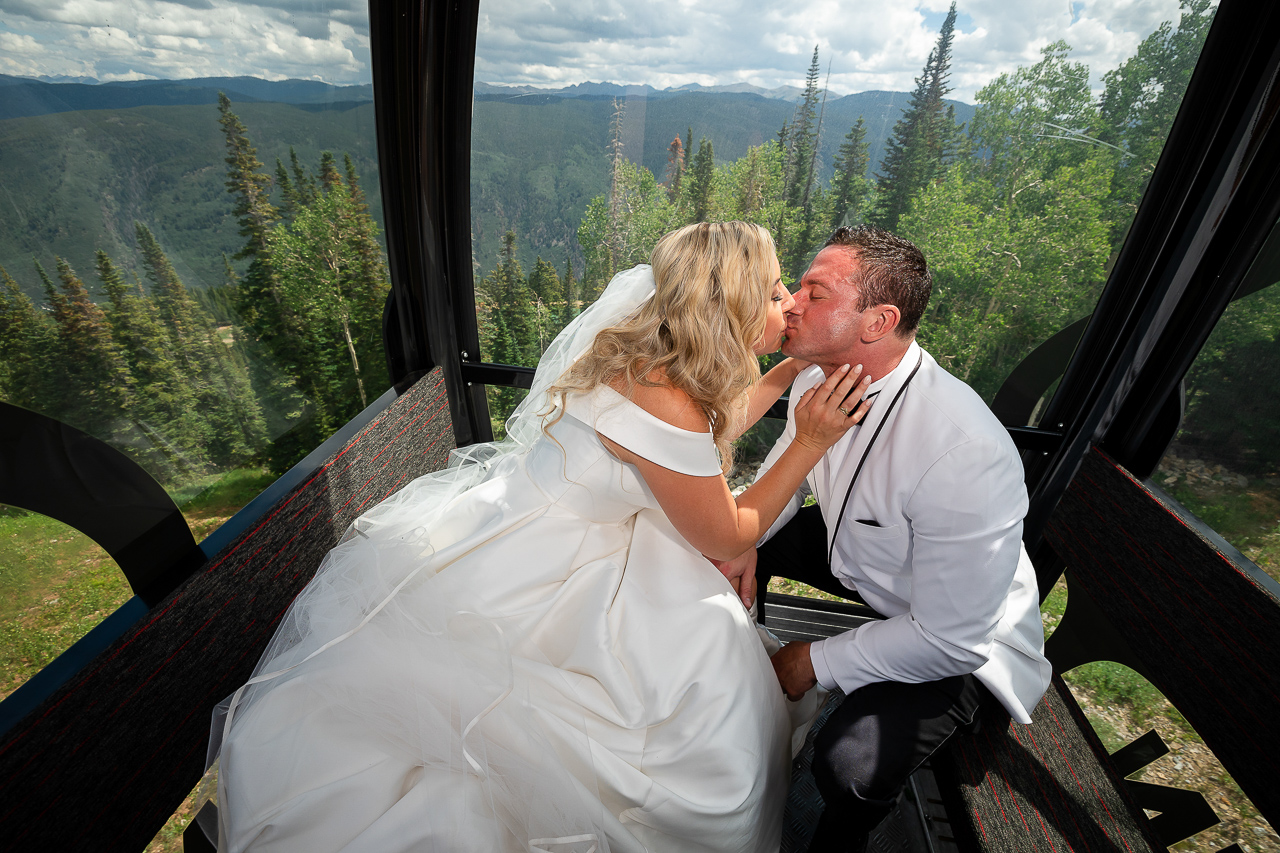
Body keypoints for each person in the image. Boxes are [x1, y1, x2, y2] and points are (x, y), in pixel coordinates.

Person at [210, 221, 875, 853]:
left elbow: (704, 436)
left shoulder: (652, 352)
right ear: (726, 306)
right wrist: (811, 439)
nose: (787, 303)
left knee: (703, 647)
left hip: (531, 511)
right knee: (665, 698)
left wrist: (788, 373)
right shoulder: (664, 398)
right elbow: (729, 528)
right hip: (552, 562)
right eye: (773, 290)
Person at [715, 225, 1053, 853]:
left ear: (878, 321)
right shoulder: (821, 377)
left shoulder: (964, 450)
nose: (790, 302)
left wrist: (810, 660)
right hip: (864, 557)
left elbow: (952, 638)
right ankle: (729, 673)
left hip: (962, 639)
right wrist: (744, 541)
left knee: (847, 768)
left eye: (815, 294)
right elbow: (788, 477)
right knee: (722, 552)